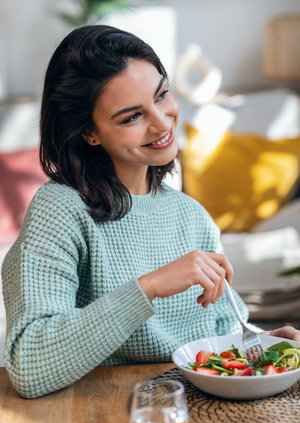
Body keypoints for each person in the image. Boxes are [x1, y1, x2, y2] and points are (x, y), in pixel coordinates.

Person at [2, 25, 300, 399]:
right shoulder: (61, 209)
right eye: (131, 117)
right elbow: (29, 366)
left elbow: (223, 332)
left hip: (189, 409)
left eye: (161, 95)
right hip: (94, 416)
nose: (162, 123)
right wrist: (149, 287)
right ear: (88, 133)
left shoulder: (191, 216)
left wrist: (263, 344)